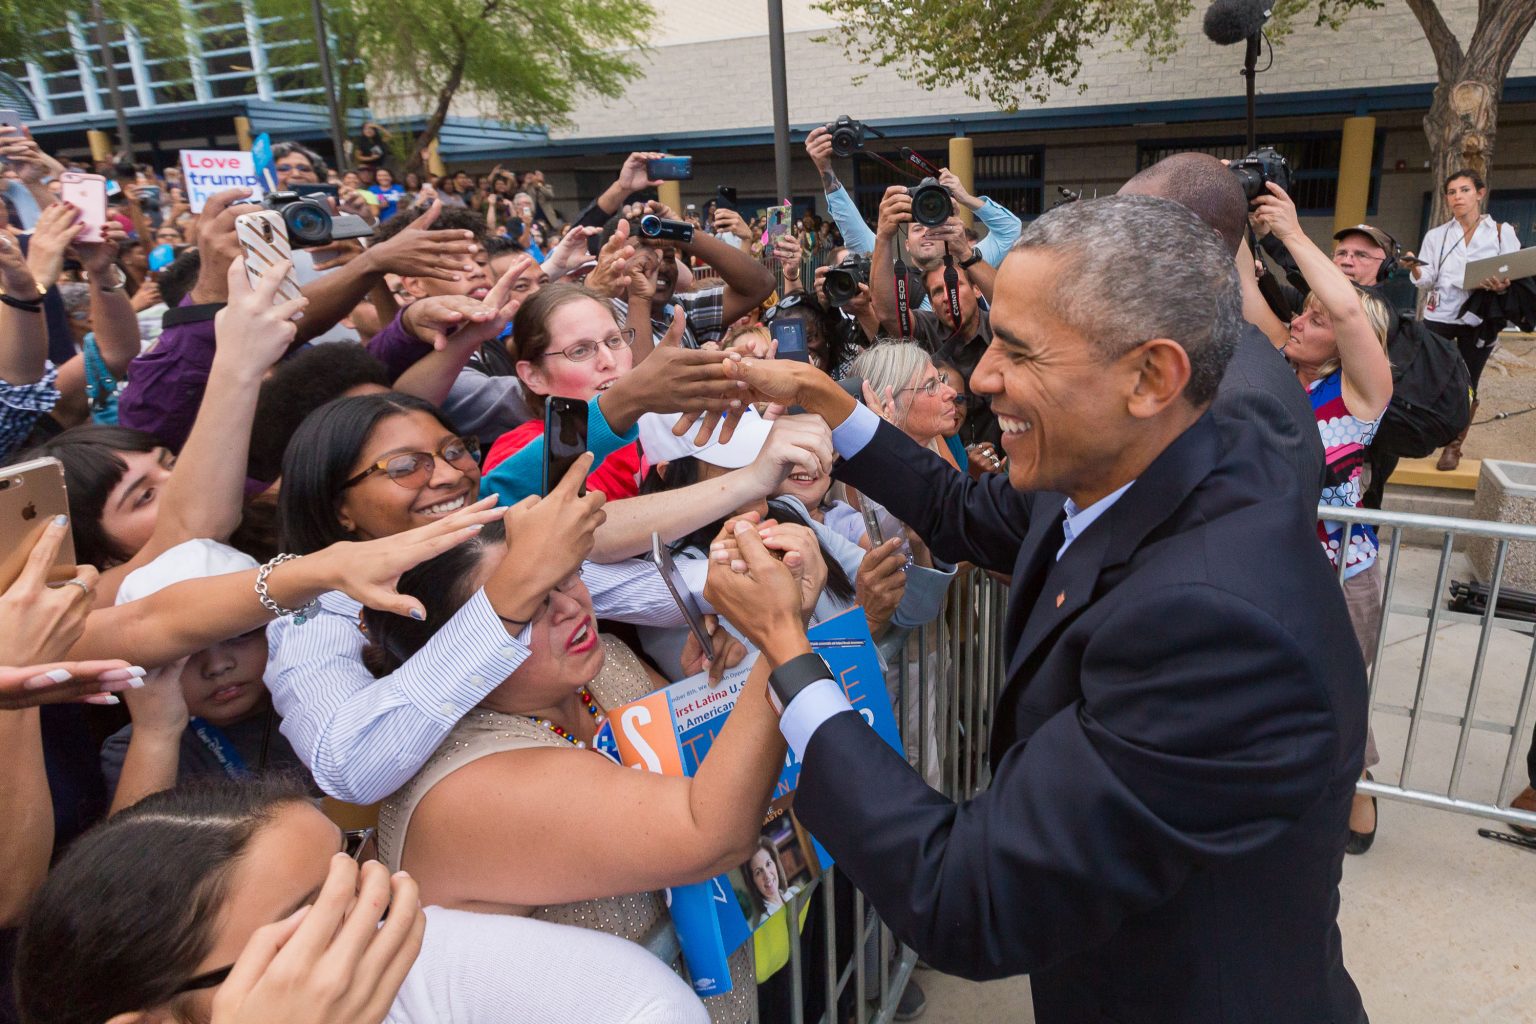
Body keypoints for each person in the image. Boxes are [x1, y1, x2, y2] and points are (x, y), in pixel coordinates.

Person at [713, 195, 1369, 1024]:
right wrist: (828, 400)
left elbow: (967, 898)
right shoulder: (1133, 461)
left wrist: (786, 650)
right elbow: (958, 511)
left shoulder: (1214, 628)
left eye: (1019, 353)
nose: (980, 377)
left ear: (1151, 376)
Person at [267, 391, 831, 805]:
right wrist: (509, 601)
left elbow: (662, 590)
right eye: (406, 467)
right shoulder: (310, 613)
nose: (447, 476)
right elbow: (349, 765)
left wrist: (757, 559)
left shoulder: (493, 541)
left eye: (454, 450)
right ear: (339, 506)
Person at [366, 513, 818, 1020]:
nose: (570, 607)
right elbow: (709, 831)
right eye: (531, 606)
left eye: (566, 576)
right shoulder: (468, 789)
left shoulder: (605, 663)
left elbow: (702, 782)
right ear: (454, 651)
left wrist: (704, 700)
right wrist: (780, 634)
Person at [14, 777, 711, 1024]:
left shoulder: (390, 948)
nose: (375, 913)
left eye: (351, 873)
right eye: (313, 922)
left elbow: (640, 1004)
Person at [1245, 181, 1394, 856]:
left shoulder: (1362, 390)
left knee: (1337, 686)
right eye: (1298, 317)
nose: (1299, 323)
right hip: (1278, 566)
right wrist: (1234, 216)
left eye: (1314, 318)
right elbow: (1247, 299)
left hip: (1343, 575)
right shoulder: (1284, 371)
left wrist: (1294, 235)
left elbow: (1352, 315)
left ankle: (1356, 797)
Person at [1118, 152, 1326, 515]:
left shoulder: (1243, 399)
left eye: (1139, 231)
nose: (1115, 249)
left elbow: (1239, 557)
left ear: (1202, 248)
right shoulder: (1178, 356)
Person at [100, 540, 306, 813]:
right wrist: (156, 734)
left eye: (238, 637)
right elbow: (134, 853)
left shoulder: (314, 697)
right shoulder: (133, 748)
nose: (217, 666)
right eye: (185, 654)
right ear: (148, 665)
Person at [1412, 169, 1521, 471]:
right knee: (1429, 374)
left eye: (1464, 190)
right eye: (1452, 192)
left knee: (1468, 381)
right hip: (1441, 313)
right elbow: (1427, 279)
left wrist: (1502, 282)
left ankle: (1453, 446)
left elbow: (1512, 270)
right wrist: (1417, 269)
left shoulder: (1501, 232)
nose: (1458, 197)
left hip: (1481, 316)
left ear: (1480, 193)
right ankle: (1421, 433)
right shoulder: (1437, 235)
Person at [746, 838, 800, 922]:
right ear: (753, 883)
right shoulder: (764, 922)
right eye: (758, 872)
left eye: (768, 864)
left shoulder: (795, 892)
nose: (767, 875)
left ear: (776, 865)